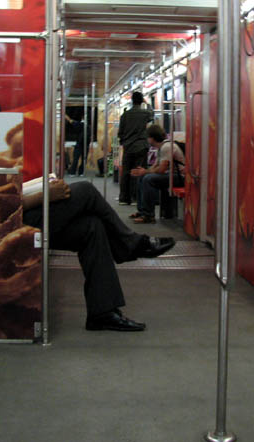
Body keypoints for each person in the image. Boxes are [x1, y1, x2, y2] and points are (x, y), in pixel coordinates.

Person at [22, 179, 175, 331]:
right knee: (86, 190)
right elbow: (8, 203)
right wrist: (44, 195)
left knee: (92, 227)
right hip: (17, 221)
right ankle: (132, 243)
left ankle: (102, 312)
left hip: (25, 212)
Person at [130, 124, 185, 224]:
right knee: (143, 177)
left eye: (148, 137)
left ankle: (148, 215)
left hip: (180, 177)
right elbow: (155, 166)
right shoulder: (161, 147)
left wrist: (145, 172)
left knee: (148, 179)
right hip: (172, 175)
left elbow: (162, 169)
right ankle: (142, 212)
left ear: (152, 138)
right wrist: (143, 172)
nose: (147, 140)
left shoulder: (166, 147)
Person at [117, 91, 154, 205]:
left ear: (132, 100)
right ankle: (135, 198)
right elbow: (152, 114)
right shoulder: (145, 113)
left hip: (128, 146)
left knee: (126, 172)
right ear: (141, 100)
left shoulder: (125, 115)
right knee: (138, 171)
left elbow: (120, 133)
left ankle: (124, 198)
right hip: (141, 146)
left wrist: (124, 142)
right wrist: (147, 103)